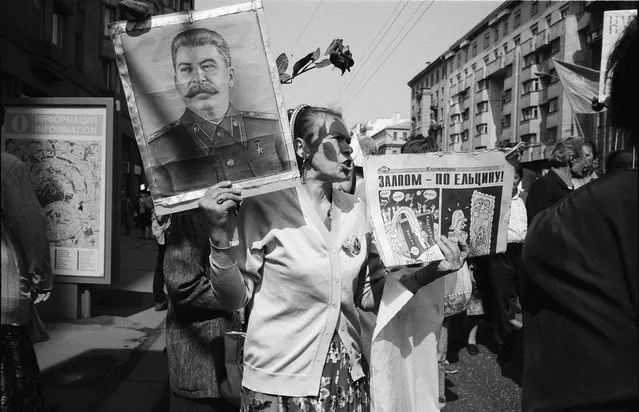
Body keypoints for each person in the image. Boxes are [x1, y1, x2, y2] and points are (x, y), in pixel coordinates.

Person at [198, 105, 469, 411]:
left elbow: (366, 296)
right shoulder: (264, 206)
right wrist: (219, 238)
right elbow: (235, 299)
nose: (348, 148)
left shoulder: (356, 211)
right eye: (336, 139)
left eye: (348, 140)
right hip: (277, 387)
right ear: (301, 147)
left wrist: (432, 271)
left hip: (346, 380)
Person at [521, 17, 638, 411]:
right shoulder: (561, 218)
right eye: (585, 156)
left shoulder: (568, 221)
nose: (590, 162)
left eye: (592, 156)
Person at [147, 28, 289, 197]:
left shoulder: (273, 130)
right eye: (186, 69)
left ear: (229, 76)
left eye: (208, 66)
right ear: (176, 83)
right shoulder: (157, 150)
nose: (199, 78)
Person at [1, 152, 53, 411]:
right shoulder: (8, 167)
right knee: (14, 372)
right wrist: (41, 276)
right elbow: (30, 225)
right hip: (3, 290)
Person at [481, 162, 527, 362]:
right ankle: (504, 344)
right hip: (501, 253)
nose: (512, 182)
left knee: (523, 297)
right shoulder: (494, 199)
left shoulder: (525, 198)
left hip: (523, 251)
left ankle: (524, 340)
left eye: (515, 177)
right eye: (508, 177)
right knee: (501, 300)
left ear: (519, 179)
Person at [525, 137, 585, 225]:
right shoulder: (543, 186)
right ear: (572, 159)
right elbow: (539, 227)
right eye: (584, 157)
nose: (586, 163)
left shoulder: (566, 186)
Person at [151, 209, 171, 311]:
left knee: (161, 267)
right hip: (164, 234)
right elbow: (160, 218)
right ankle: (160, 300)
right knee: (163, 267)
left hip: (160, 233)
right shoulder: (163, 199)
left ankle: (159, 299)